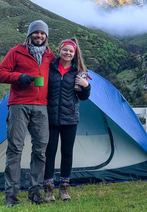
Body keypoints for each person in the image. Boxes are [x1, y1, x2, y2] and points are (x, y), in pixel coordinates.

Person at [0, 20, 56, 207]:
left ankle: (35, 193)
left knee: (40, 151)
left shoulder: (50, 56)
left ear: (46, 36)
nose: (39, 36)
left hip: (42, 106)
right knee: (15, 149)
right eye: (36, 33)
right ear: (30, 35)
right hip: (19, 105)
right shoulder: (16, 52)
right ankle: (11, 195)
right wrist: (19, 77)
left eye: (42, 33)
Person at [44, 38, 91, 202]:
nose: (68, 53)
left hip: (70, 118)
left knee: (67, 153)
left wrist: (86, 85)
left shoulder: (78, 72)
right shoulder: (49, 68)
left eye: (71, 51)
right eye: (65, 50)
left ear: (74, 53)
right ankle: (48, 189)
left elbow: (83, 97)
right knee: (49, 153)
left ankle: (64, 189)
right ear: (60, 50)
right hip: (51, 117)